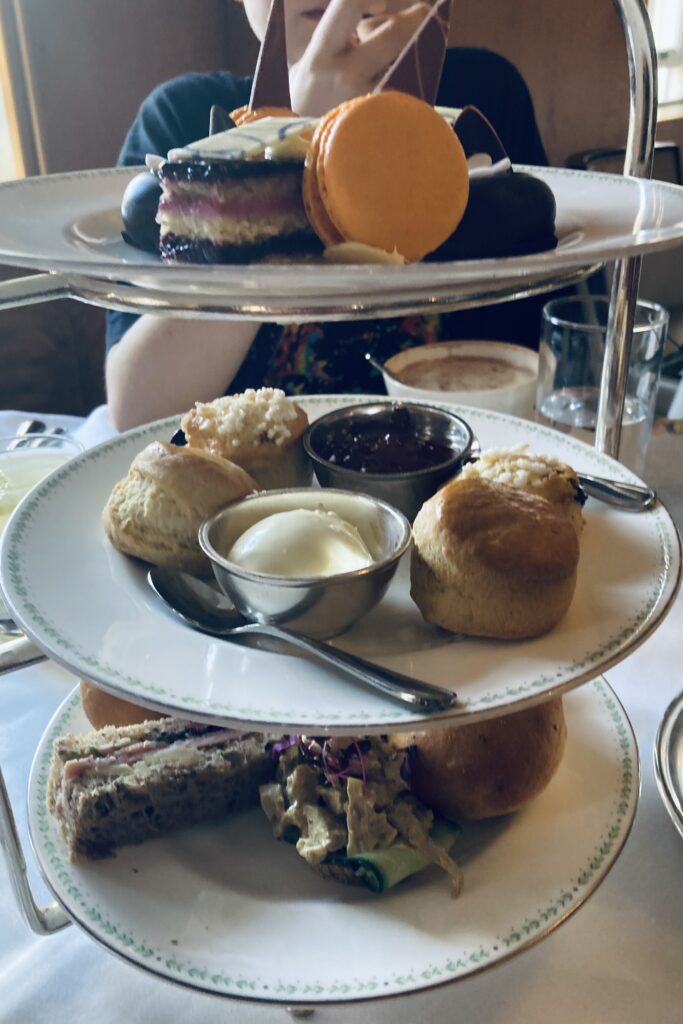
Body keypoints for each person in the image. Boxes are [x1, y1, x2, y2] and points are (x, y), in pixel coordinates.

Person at [106, 0, 550, 430]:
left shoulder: (488, 95)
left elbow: (567, 352)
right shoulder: (179, 124)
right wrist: (291, 142)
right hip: (253, 494)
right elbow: (138, 413)